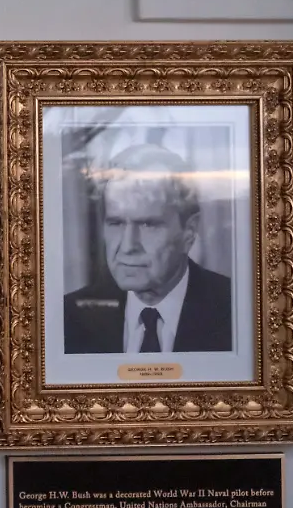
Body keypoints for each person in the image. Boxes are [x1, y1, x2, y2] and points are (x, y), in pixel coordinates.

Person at [63, 144, 232, 354]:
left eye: (148, 225)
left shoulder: (237, 310)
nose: (127, 246)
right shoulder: (69, 317)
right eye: (115, 223)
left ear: (189, 232)